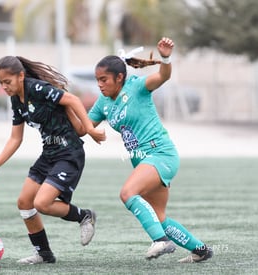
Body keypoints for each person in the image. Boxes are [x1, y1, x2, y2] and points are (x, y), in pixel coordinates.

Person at [87, 37, 213, 263]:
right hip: (143, 162)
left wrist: (165, 57)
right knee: (160, 219)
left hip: (161, 154)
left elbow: (163, 76)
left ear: (119, 77)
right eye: (97, 80)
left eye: (104, 79)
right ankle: (201, 250)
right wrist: (64, 106)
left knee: (127, 193)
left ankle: (161, 241)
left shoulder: (136, 86)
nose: (99, 84)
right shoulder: (103, 103)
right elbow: (83, 127)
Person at [0, 56, 106, 264]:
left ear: (21, 76)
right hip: (49, 154)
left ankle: (84, 215)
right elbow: (15, 138)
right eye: (0, 82)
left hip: (69, 153)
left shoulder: (37, 88)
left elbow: (72, 99)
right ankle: (44, 253)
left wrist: (90, 129)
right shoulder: (15, 100)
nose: (4, 87)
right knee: (24, 202)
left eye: (7, 82)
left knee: (42, 203)